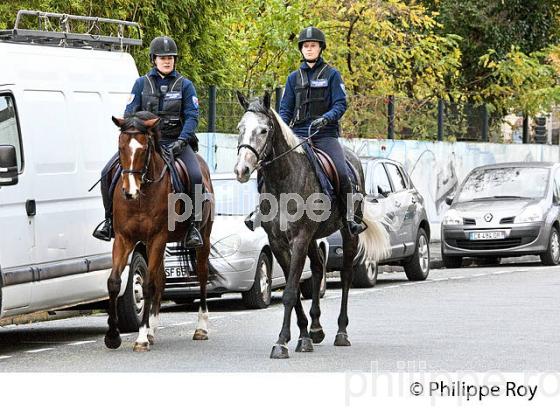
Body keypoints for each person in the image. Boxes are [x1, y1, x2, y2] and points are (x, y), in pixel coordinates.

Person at [245, 26, 366, 235]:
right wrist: (283, 129)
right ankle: (261, 209)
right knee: (267, 165)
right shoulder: (294, 78)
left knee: (341, 171)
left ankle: (349, 218)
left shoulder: (332, 75)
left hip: (325, 135)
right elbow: (285, 109)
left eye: (313, 46)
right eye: (306, 46)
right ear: (301, 49)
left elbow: (340, 104)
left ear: (320, 48)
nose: (309, 49)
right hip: (299, 134)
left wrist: (326, 119)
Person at [93, 35, 203, 247]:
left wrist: (182, 140)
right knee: (107, 172)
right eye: (162, 57)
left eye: (170, 57)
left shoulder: (185, 86)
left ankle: (193, 227)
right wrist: (133, 130)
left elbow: (192, 117)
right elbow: (129, 113)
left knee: (196, 176)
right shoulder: (141, 84)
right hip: (144, 144)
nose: (167, 61)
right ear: (154, 59)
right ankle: (109, 221)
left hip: (175, 142)